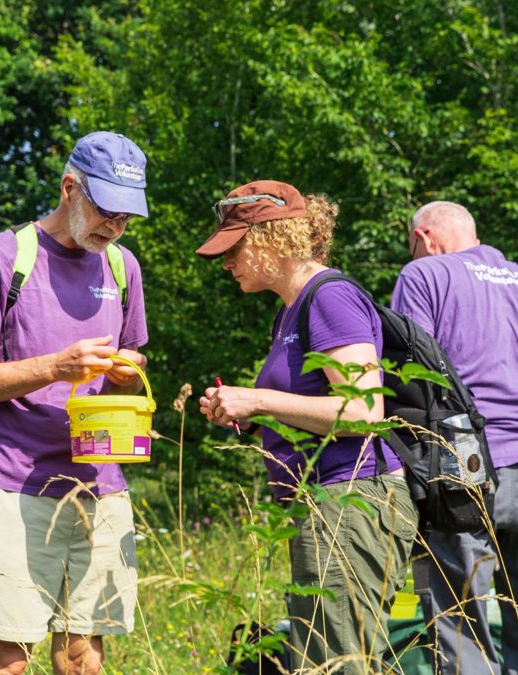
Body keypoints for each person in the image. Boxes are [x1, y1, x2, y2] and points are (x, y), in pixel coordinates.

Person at [0, 131, 150, 675]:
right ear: (69, 188)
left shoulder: (123, 268)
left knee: (82, 660)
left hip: (99, 487)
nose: (115, 225)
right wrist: (55, 368)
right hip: (12, 486)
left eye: (127, 216)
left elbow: (134, 358)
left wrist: (130, 373)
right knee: (10, 658)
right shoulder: (3, 256)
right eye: (106, 209)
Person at [195, 180, 417, 675]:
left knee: (340, 665)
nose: (226, 264)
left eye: (233, 249)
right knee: (327, 658)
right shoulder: (289, 312)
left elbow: (364, 413)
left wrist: (257, 398)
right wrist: (250, 415)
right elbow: (310, 410)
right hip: (326, 504)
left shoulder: (330, 298)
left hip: (352, 502)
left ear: (272, 238)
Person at [394, 201, 518, 675]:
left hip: (467, 453)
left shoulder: (424, 276)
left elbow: (410, 375)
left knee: (463, 626)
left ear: (423, 237)